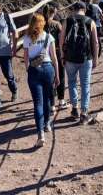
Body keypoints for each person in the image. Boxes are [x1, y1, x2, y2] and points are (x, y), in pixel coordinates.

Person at [23, 13, 60, 147]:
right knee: (47, 99)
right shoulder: (48, 37)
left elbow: (26, 58)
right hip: (48, 68)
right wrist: (57, 74)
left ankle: (40, 135)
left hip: (34, 70)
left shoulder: (27, 38)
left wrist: (29, 70)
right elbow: (54, 57)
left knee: (37, 103)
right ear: (42, 23)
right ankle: (47, 124)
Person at [60, 2, 99, 125]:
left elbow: (61, 41)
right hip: (86, 58)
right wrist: (96, 59)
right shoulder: (90, 21)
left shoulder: (68, 20)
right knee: (85, 84)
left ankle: (74, 109)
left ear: (74, 9)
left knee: (71, 82)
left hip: (70, 58)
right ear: (84, 9)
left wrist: (62, 56)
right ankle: (84, 113)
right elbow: (95, 42)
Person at [42, 4, 67, 112]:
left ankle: (51, 104)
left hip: (44, 53)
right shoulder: (57, 24)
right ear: (54, 12)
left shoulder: (41, 24)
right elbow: (63, 38)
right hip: (56, 51)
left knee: (49, 78)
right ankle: (61, 101)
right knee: (60, 76)